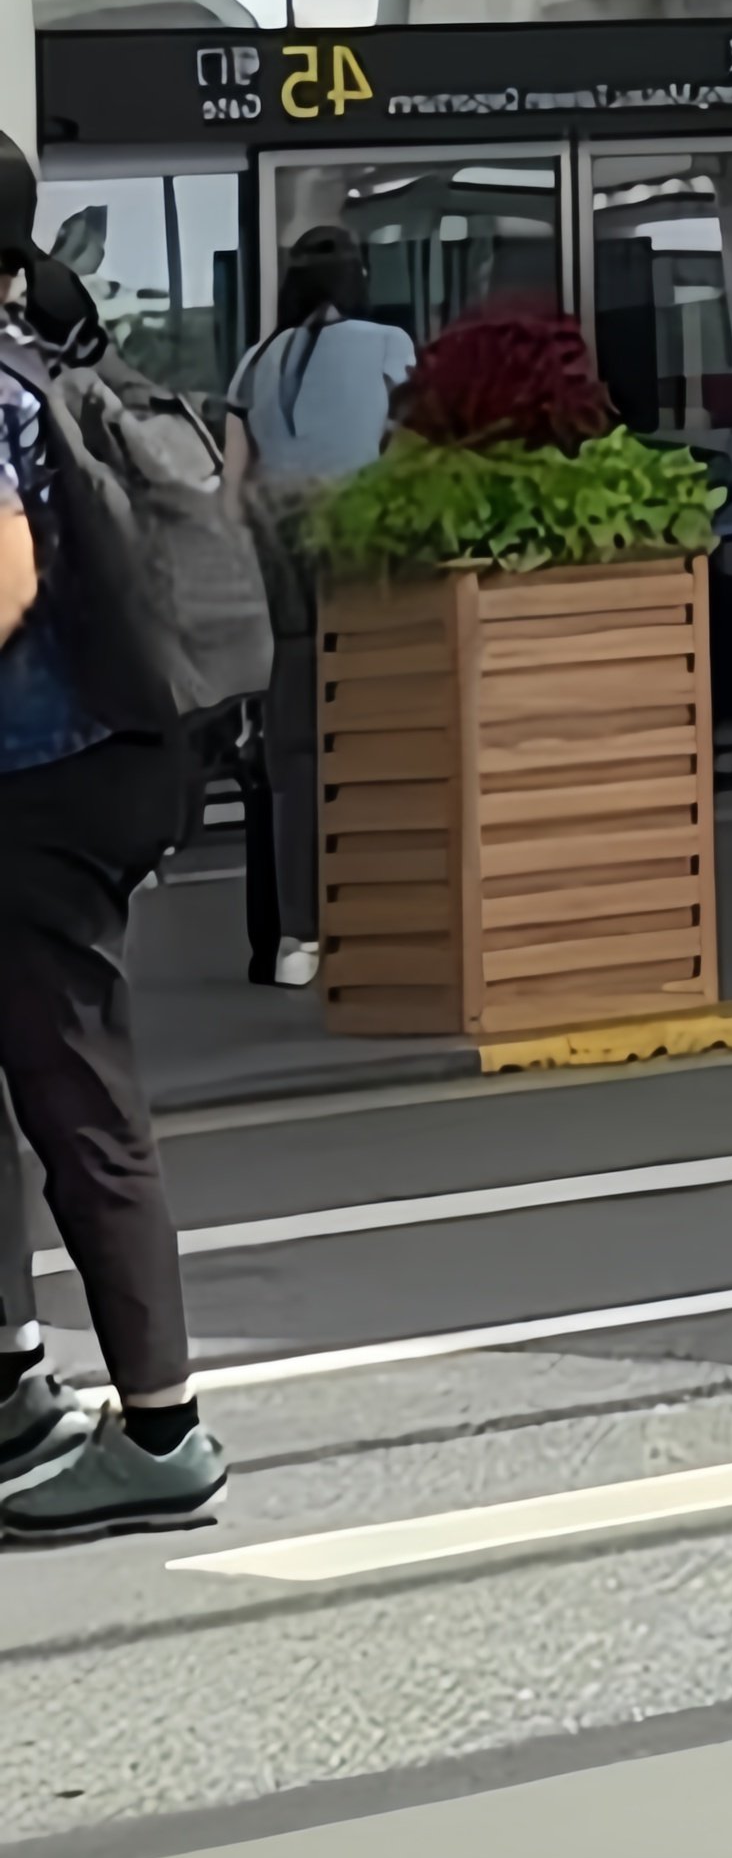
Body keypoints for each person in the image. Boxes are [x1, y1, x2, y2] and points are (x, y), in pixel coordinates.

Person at [0, 144, 223, 1545]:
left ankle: (161, 1431)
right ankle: (13, 1383)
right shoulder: (43, 363)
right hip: (92, 771)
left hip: (38, 789)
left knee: (78, 1093)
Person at [219, 222, 408, 991]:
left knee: (294, 755)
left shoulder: (254, 362)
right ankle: (375, 915)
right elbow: (411, 458)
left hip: (280, 576)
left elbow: (231, 494)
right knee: (376, 742)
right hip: (363, 565)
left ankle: (297, 938)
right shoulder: (391, 346)